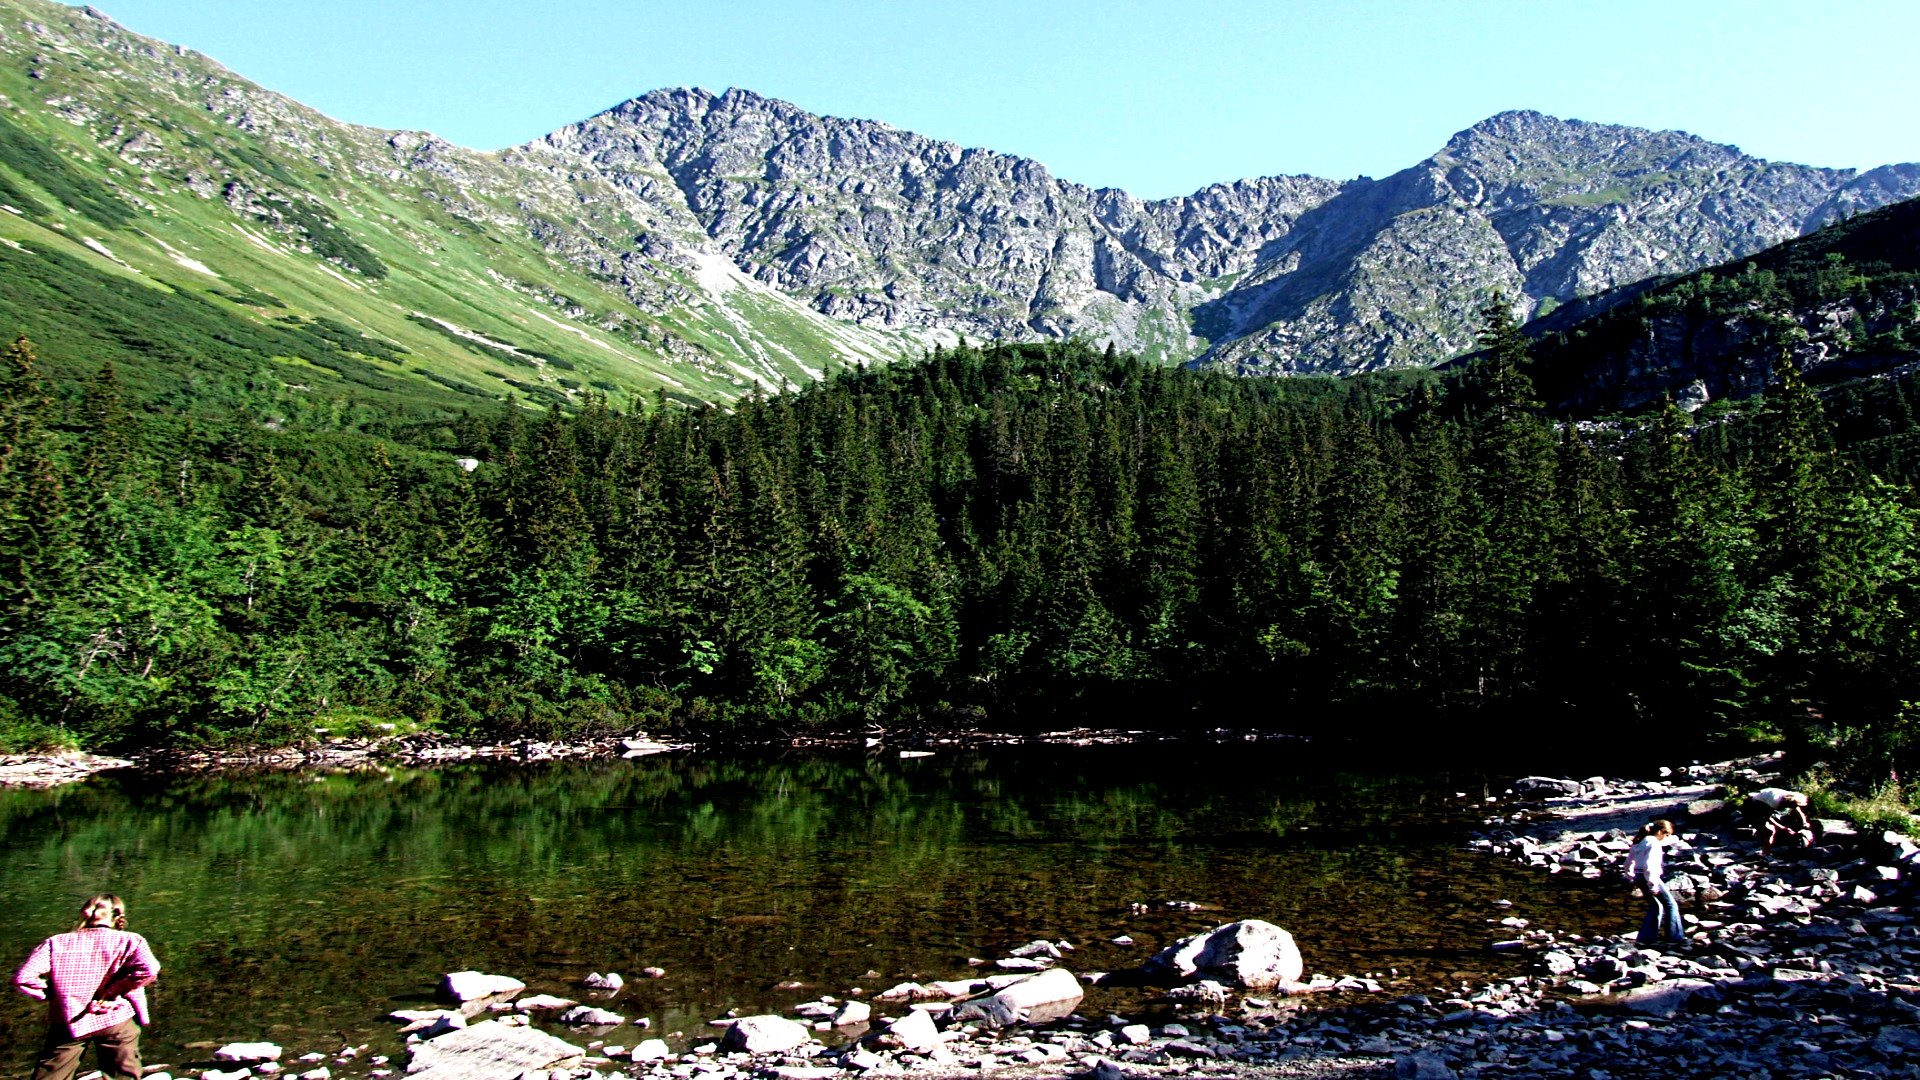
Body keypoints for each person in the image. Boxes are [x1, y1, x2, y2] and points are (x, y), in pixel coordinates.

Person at [14, 894, 161, 1080]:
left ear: (84, 913)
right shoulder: (131, 941)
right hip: (116, 1017)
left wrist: (53, 994)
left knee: (51, 1075)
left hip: (68, 1020)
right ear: (117, 916)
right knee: (122, 1075)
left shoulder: (56, 942)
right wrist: (114, 990)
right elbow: (150, 970)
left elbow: (23, 978)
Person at [1627, 819, 1686, 947]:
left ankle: (1646, 938)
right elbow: (1649, 866)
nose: (1666, 838)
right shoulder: (1653, 843)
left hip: (1638, 876)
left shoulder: (1639, 841)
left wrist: (1631, 876)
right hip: (1649, 877)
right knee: (1671, 904)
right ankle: (1675, 937)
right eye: (1666, 834)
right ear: (1660, 831)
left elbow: (1628, 864)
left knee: (1656, 905)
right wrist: (1653, 884)